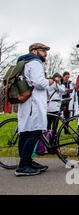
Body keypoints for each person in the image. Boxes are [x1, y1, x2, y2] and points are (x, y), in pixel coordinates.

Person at [15, 43, 54, 176]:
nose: (46, 54)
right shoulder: (35, 62)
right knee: (35, 132)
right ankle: (23, 166)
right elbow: (39, 83)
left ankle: (26, 161)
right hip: (34, 103)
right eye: (44, 51)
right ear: (35, 51)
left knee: (25, 132)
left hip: (26, 102)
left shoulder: (24, 62)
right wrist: (49, 81)